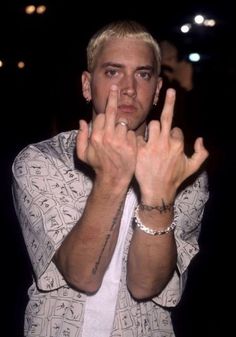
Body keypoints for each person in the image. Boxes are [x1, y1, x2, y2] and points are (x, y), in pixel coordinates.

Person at [12, 20, 209, 337]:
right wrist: (112, 179)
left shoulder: (182, 173)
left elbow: (146, 284)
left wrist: (159, 194)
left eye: (143, 74)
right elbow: (81, 275)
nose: (129, 88)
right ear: (87, 85)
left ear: (157, 89)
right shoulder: (41, 161)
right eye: (113, 72)